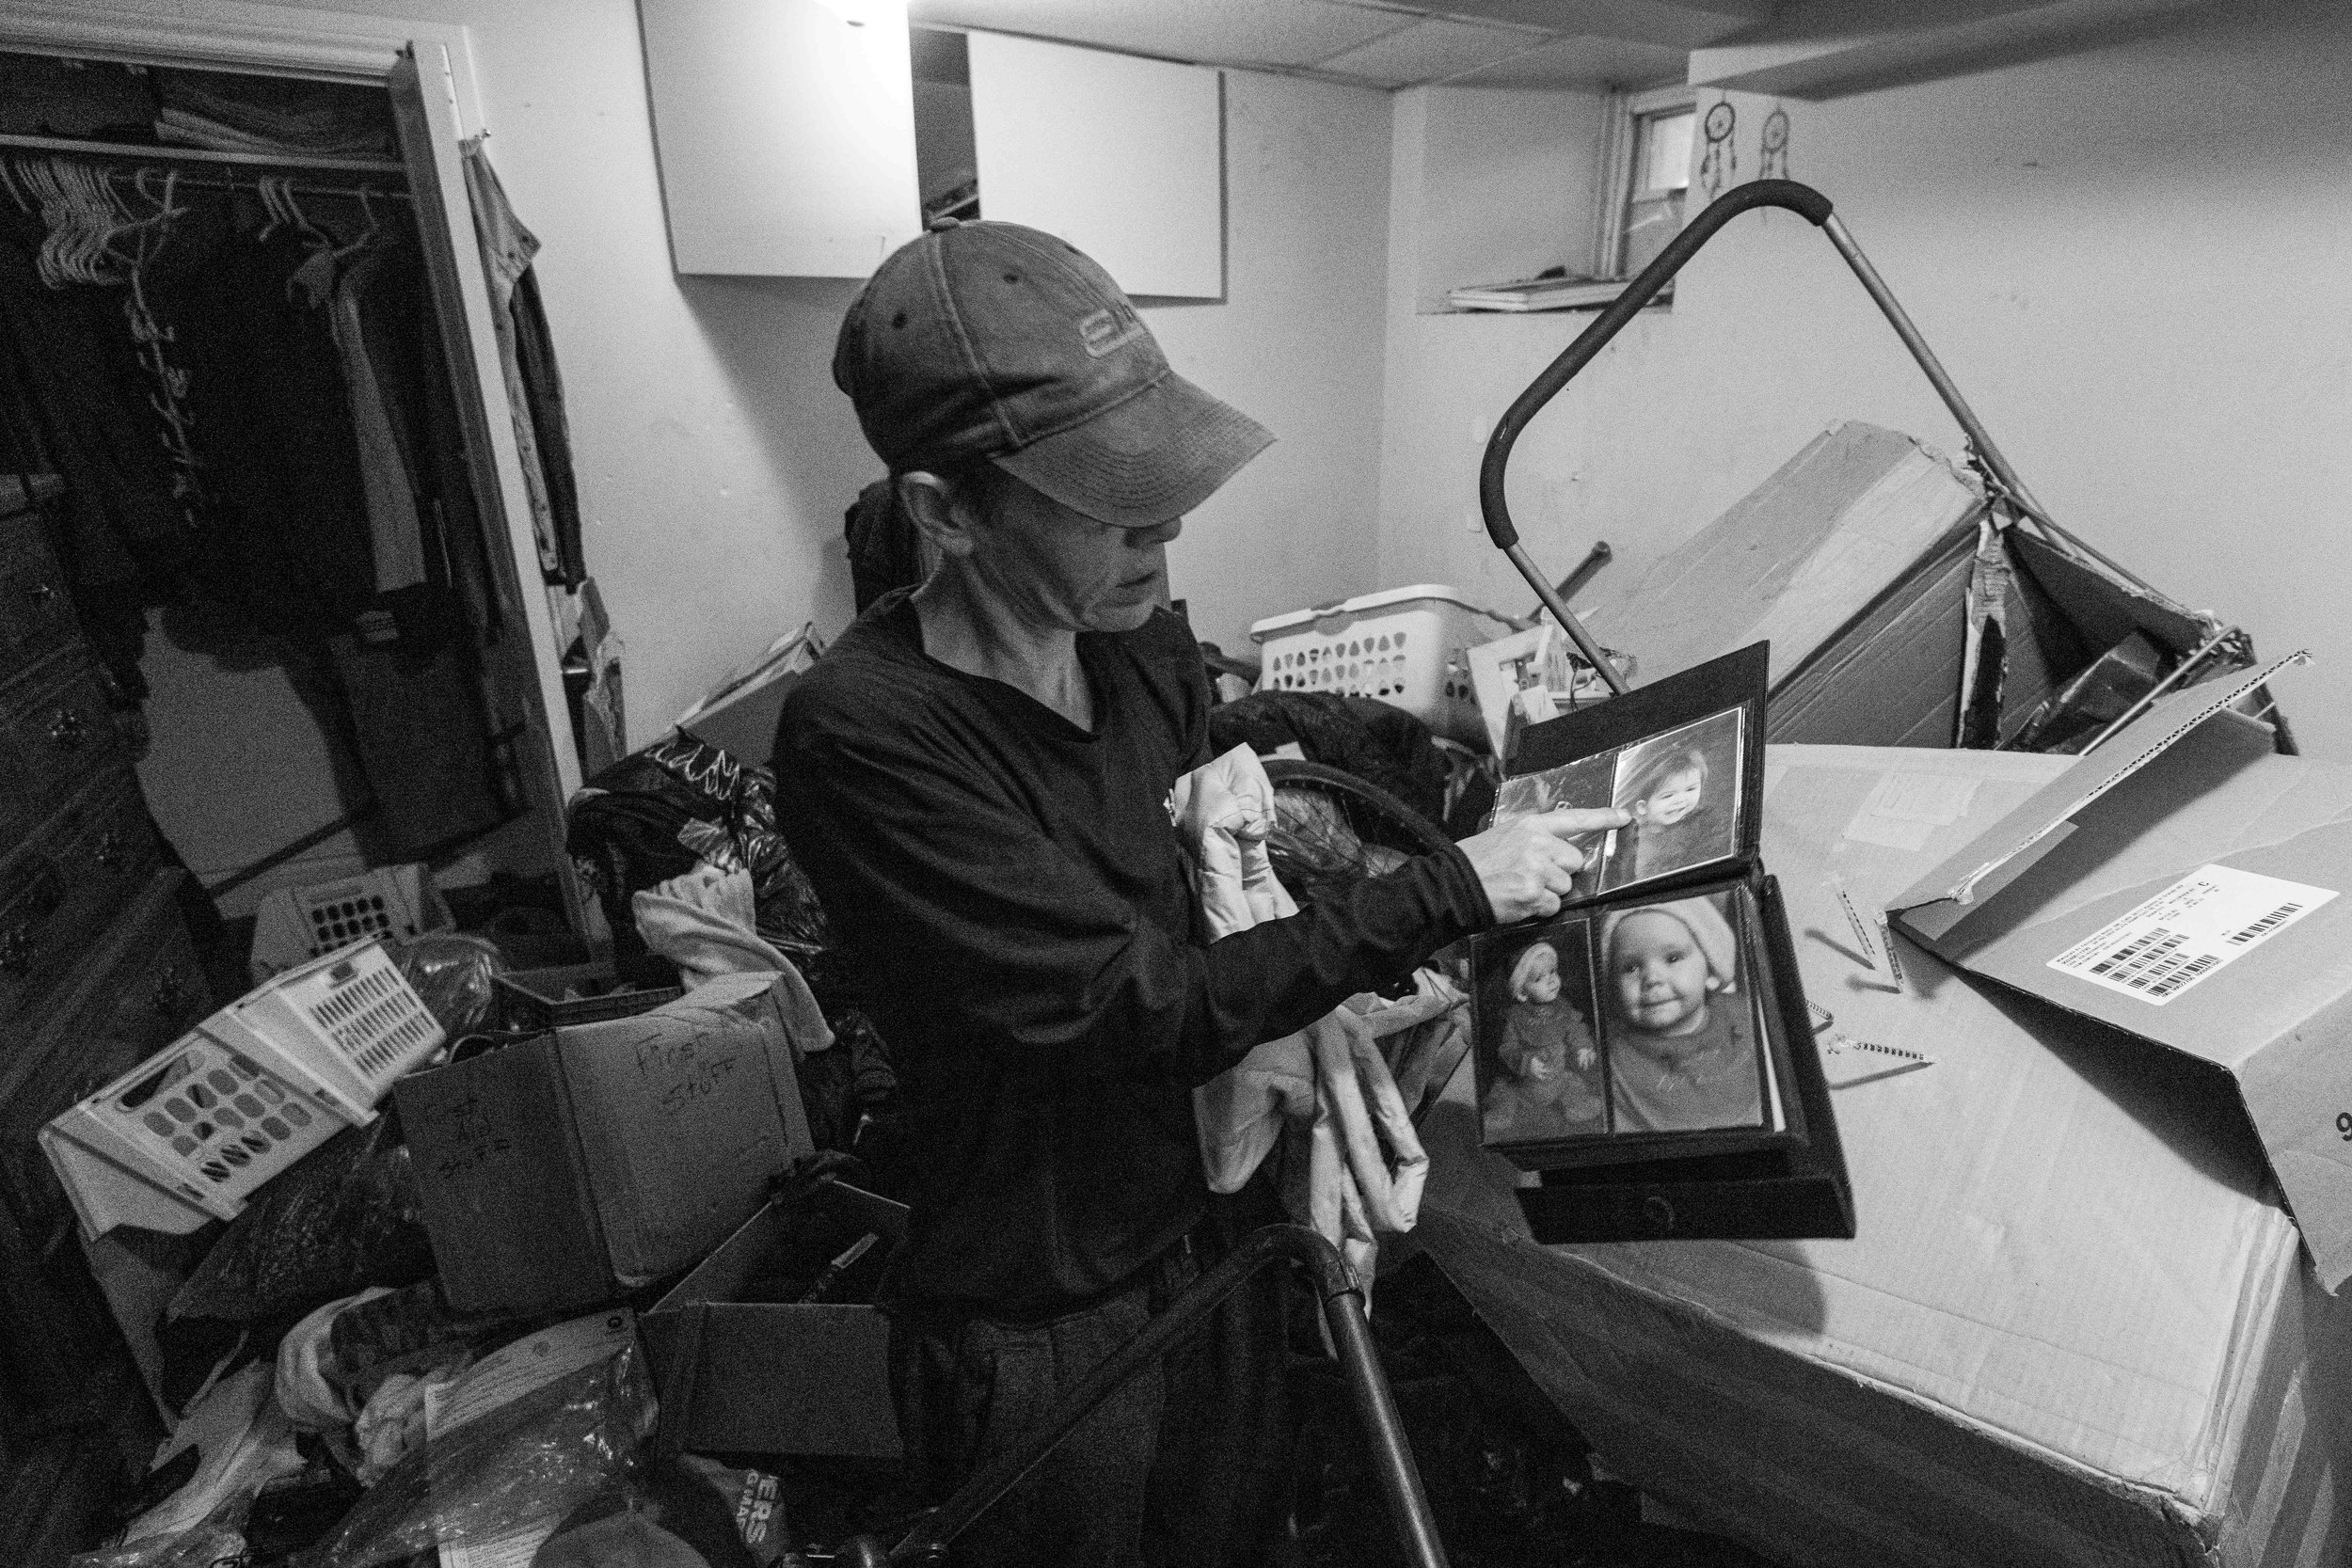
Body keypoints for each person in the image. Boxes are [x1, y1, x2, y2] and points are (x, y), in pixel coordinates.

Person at [771, 217, 1625, 1568]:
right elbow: (1133, 1005)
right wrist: (1444, 889)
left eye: (1161, 492)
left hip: (1210, 1238)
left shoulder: (1134, 633)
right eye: (1111, 508)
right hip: (1045, 1316)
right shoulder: (866, 735)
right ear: (948, 512)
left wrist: (1231, 786)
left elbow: (1187, 846)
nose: (1163, 535)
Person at [1599, 897, 1764, 1132]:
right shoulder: (1614, 1062)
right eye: (1631, 967)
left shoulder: (1745, 1013)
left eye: (1673, 958)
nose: (1652, 979)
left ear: (1711, 968)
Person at [1483, 940, 1605, 1143]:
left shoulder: (1563, 1009)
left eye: (1553, 971)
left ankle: (1577, 1105)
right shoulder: (1515, 1018)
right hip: (1524, 1086)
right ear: (1522, 993)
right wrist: (1527, 1062)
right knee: (1504, 1092)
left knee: (1574, 1083)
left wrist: (1583, 1047)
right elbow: (1508, 1049)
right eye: (1539, 978)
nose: (1551, 980)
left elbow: (1576, 1029)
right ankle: (1501, 1115)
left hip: (1558, 1080)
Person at [1609, 740, 1726, 885]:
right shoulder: (1635, 842)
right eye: (1668, 796)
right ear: (1642, 807)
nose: (1681, 800)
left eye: (1690, 789)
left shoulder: (1704, 822)